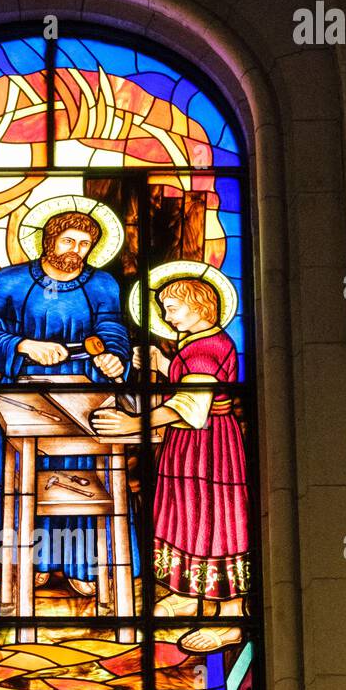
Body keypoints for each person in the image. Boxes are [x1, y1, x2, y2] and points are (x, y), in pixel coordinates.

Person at [0, 210, 133, 595]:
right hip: (24, 389)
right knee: (21, 476)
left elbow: (112, 328)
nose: (76, 250)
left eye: (85, 244)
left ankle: (82, 565)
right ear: (49, 239)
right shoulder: (12, 280)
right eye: (68, 240)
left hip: (84, 389)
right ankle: (29, 562)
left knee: (82, 481)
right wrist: (24, 345)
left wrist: (113, 355)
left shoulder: (103, 283)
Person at [92, 276, 249, 650]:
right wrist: (164, 362)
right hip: (190, 445)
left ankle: (229, 616)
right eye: (164, 309)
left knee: (217, 524)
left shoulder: (205, 349)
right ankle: (189, 594)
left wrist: (135, 423)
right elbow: (190, 383)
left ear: (199, 306)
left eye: (172, 308)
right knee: (188, 519)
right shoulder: (195, 344)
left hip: (211, 448)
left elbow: (190, 405)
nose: (166, 315)